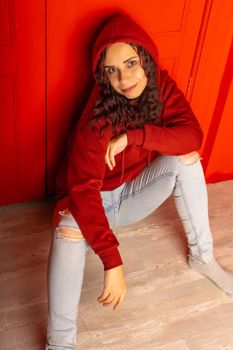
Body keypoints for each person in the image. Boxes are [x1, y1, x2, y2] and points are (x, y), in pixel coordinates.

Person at [45, 13, 233, 350]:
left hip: (132, 194)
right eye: (112, 70)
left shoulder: (161, 86)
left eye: (131, 62)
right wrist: (112, 259)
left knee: (186, 159)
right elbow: (82, 190)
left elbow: (192, 136)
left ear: (145, 58)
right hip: (91, 202)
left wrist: (137, 136)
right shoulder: (95, 118)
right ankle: (59, 344)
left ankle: (202, 257)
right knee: (67, 231)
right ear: (102, 76)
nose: (125, 76)